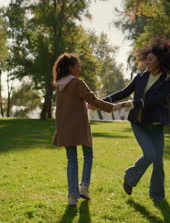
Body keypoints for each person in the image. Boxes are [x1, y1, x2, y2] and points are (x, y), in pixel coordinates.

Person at [103, 37, 170, 200]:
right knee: (150, 155)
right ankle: (130, 177)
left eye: (151, 59)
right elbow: (123, 92)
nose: (147, 62)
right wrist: (101, 102)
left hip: (156, 125)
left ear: (160, 60)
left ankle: (157, 196)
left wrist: (128, 104)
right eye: (147, 59)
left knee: (158, 162)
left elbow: (153, 101)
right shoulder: (140, 77)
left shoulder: (168, 82)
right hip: (139, 124)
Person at [52, 53, 123, 207]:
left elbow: (74, 103)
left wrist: (85, 105)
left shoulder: (59, 86)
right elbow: (94, 100)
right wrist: (114, 107)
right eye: (78, 65)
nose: (80, 68)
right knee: (88, 154)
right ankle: (84, 187)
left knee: (71, 159)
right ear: (71, 67)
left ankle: (72, 196)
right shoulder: (77, 83)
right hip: (80, 126)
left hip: (65, 127)